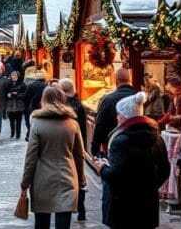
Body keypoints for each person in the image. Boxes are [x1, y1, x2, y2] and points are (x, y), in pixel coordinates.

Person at [94, 91, 170, 229]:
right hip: (148, 205)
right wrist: (149, 187)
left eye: (118, 114)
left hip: (123, 207)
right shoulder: (157, 137)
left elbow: (115, 175)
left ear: (125, 116)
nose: (117, 117)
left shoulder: (121, 141)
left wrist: (102, 168)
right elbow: (165, 170)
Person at [21, 86, 85, 229]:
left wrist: (25, 183)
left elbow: (31, 157)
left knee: (41, 223)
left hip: (42, 179)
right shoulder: (73, 124)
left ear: (44, 100)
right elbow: (79, 155)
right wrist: (81, 181)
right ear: (63, 100)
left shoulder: (37, 123)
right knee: (64, 223)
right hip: (67, 177)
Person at [91, 67, 136, 157]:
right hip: (136, 145)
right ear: (129, 80)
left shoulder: (108, 99)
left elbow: (100, 124)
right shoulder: (138, 97)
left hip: (112, 145)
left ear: (116, 81)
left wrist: (95, 149)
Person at [60, 79, 87, 222]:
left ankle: (68, 207)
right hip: (77, 145)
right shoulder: (79, 105)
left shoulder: (63, 107)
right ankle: (81, 210)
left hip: (65, 147)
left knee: (67, 180)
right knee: (79, 178)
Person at [24, 70, 48, 140]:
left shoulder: (30, 85)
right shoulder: (46, 86)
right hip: (43, 107)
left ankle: (30, 133)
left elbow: (26, 97)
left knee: (32, 121)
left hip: (33, 107)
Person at [6, 71, 27, 139]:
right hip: (10, 103)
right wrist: (8, 95)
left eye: (15, 75)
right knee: (11, 120)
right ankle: (12, 133)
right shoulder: (8, 84)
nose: (13, 77)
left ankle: (18, 134)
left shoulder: (22, 84)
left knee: (18, 121)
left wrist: (17, 94)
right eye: (12, 75)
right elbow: (5, 92)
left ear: (18, 76)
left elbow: (25, 94)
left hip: (19, 104)